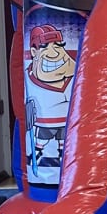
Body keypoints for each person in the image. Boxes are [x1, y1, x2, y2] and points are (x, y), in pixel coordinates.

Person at [25, 22, 76, 171]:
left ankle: (63, 156)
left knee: (64, 138)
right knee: (42, 137)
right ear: (34, 52)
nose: (53, 53)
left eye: (58, 46)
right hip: (45, 120)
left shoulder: (74, 76)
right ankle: (38, 151)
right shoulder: (30, 77)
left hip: (66, 120)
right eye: (45, 47)